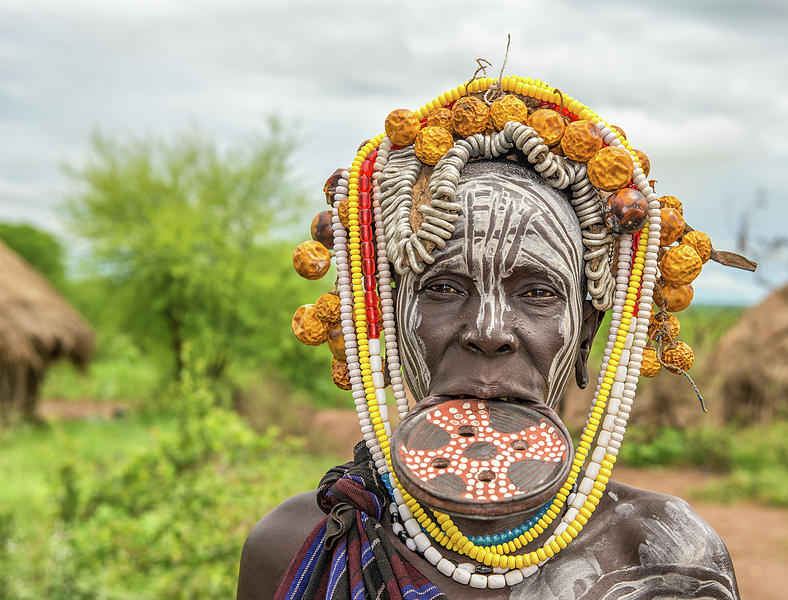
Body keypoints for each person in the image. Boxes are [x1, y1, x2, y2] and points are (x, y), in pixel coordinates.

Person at [237, 75, 740, 599]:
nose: (489, 331)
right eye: (444, 287)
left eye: (538, 293)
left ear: (585, 334)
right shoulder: (296, 547)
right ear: (388, 319)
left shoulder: (670, 561)